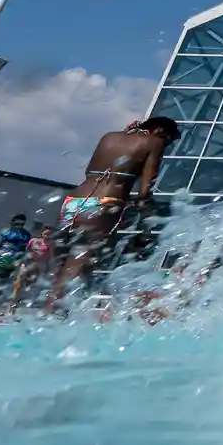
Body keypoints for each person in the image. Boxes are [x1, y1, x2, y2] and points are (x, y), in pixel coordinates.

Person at [45, 117, 181, 310]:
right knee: (76, 267)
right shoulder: (154, 142)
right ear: (159, 130)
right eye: (169, 138)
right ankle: (52, 318)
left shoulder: (109, 137)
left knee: (62, 268)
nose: (167, 144)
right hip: (104, 204)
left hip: (75, 200)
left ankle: (51, 312)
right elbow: (145, 190)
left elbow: (91, 171)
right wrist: (148, 220)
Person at [0, 213, 31, 297]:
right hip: (1, 255)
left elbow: (24, 248)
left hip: (13, 257)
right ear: (12, 222)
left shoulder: (25, 234)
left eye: (21, 224)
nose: (18, 226)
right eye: (16, 224)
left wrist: (19, 257)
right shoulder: (5, 232)